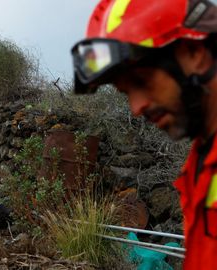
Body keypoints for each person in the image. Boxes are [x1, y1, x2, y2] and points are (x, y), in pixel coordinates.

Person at [71, 0, 217, 269]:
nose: (136, 108)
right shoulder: (200, 165)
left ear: (194, 52)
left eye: (142, 80)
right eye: (126, 93)